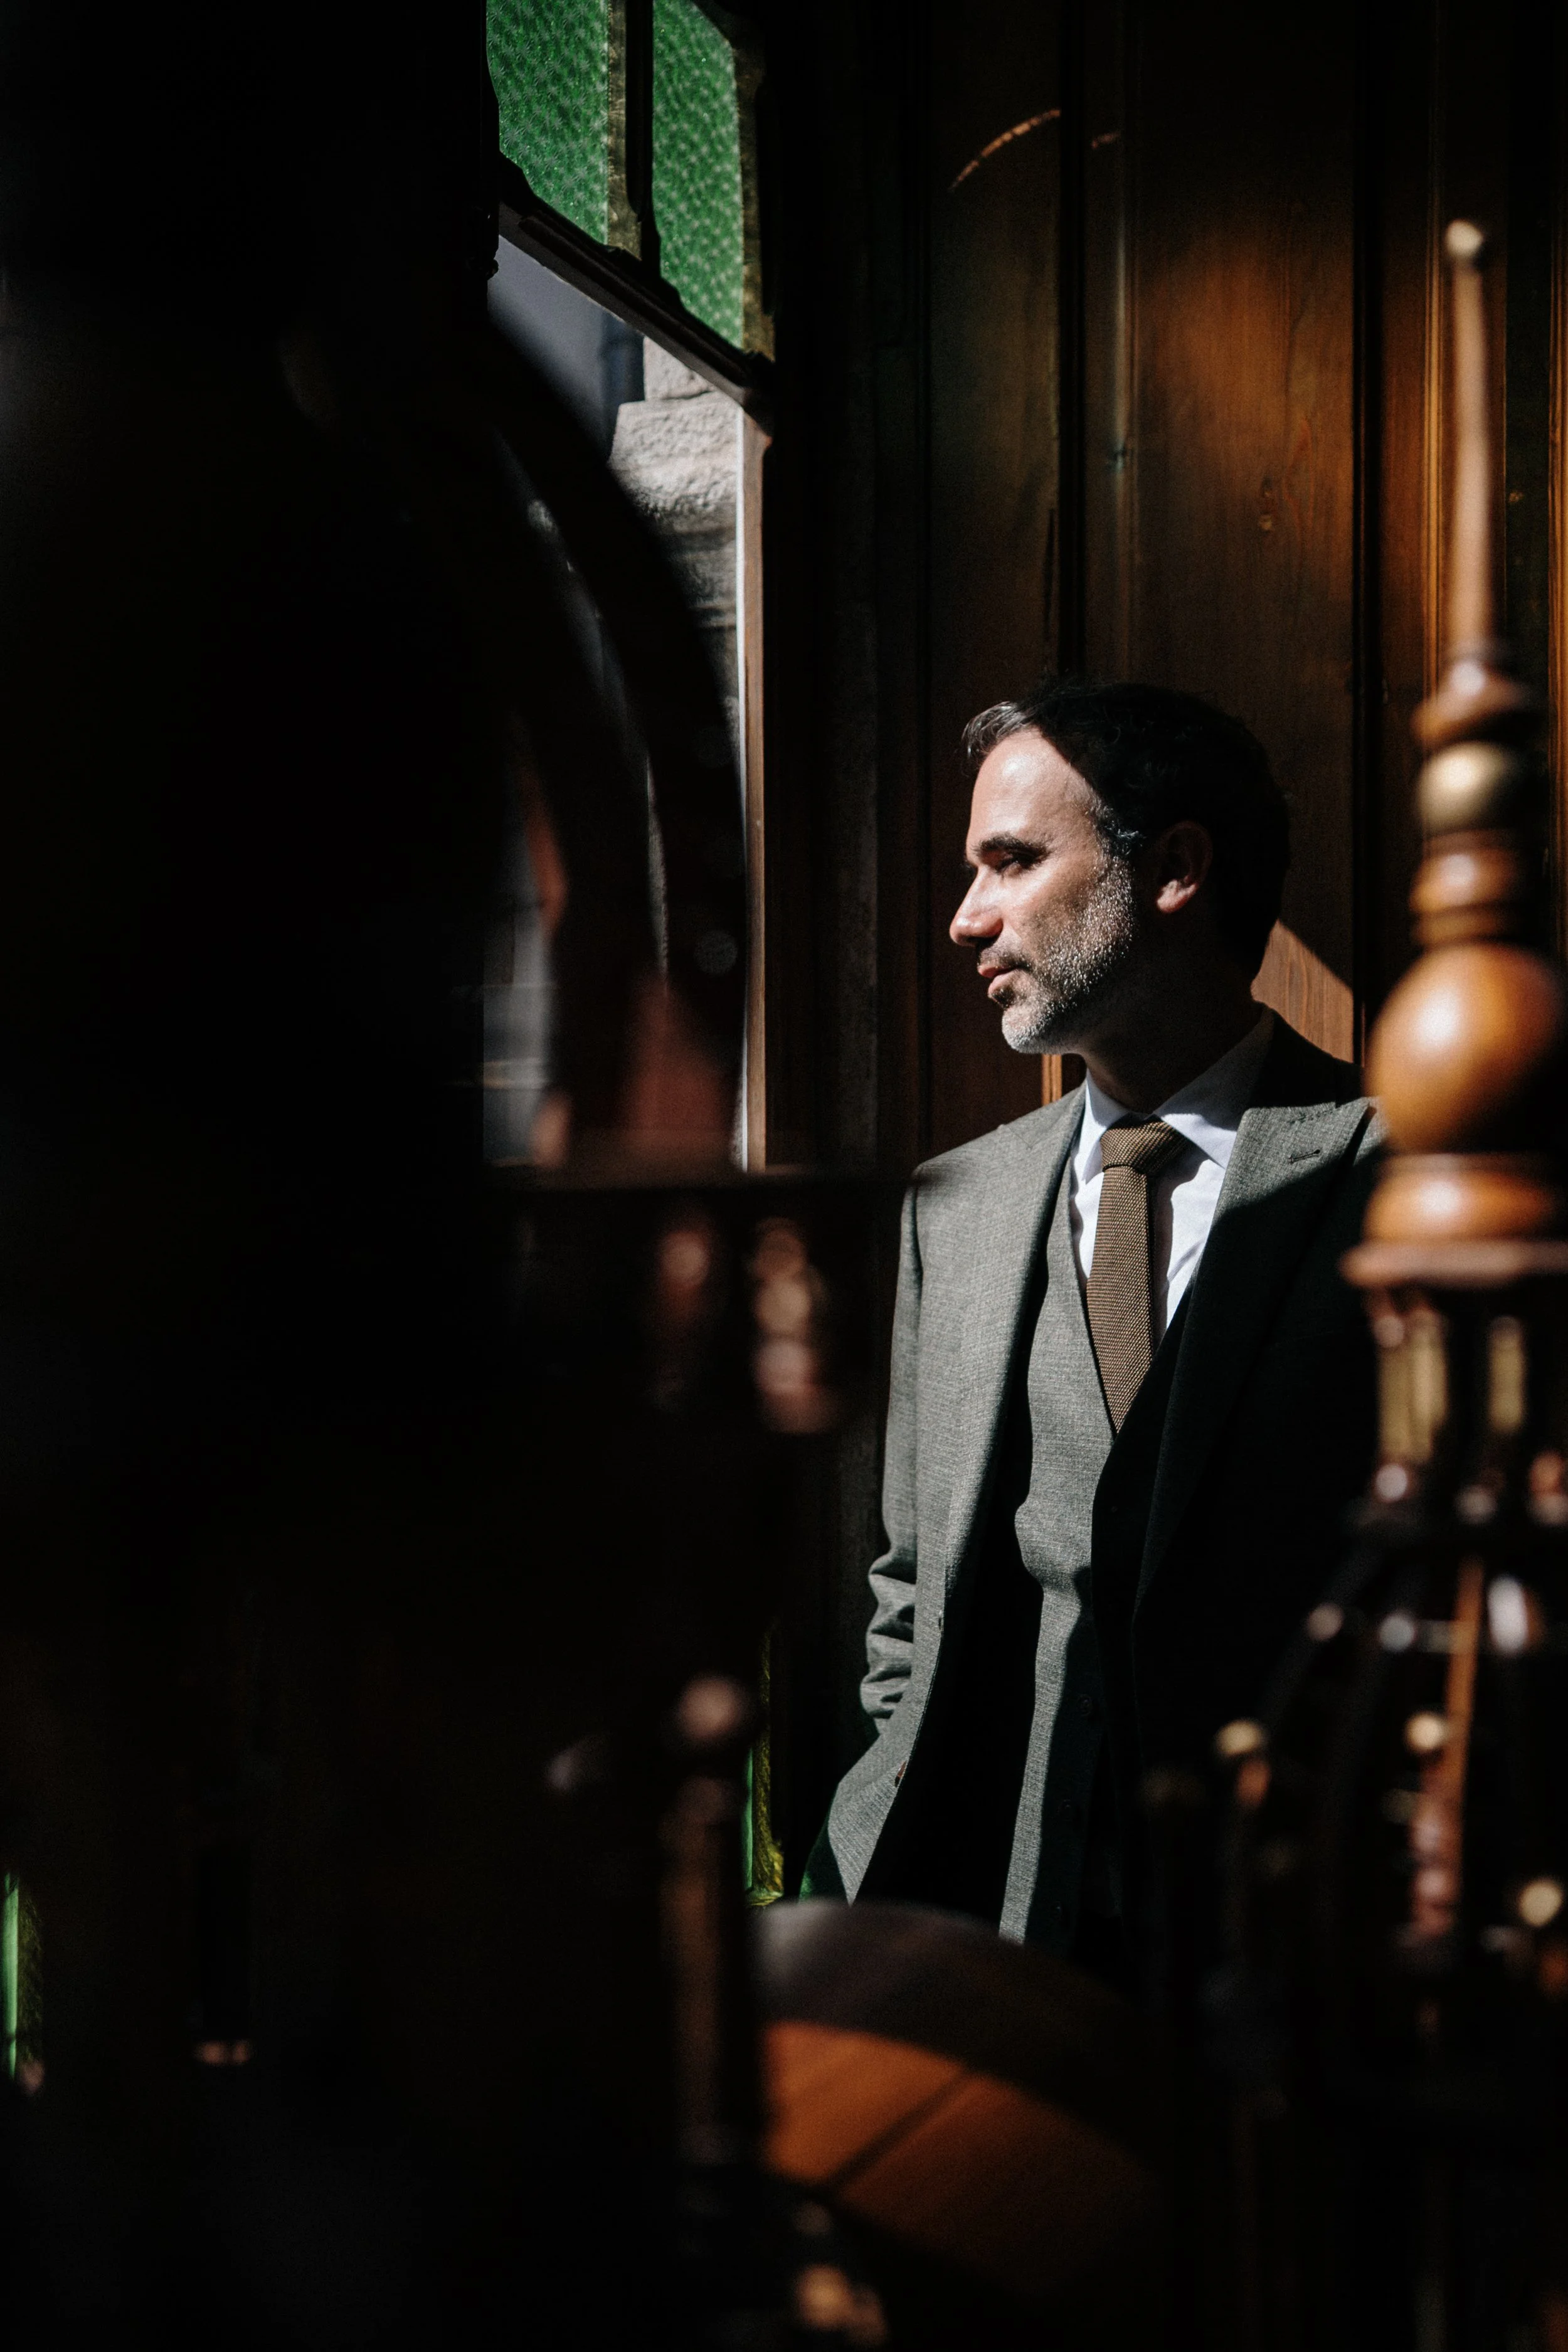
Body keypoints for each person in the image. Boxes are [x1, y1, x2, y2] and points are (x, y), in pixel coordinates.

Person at [804, 678, 1380, 1988]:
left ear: (1172, 868)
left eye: (1009, 861)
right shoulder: (949, 1208)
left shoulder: (1397, 1182)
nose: (965, 918)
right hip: (995, 1953)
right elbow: (908, 1603)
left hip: (1302, 1967)